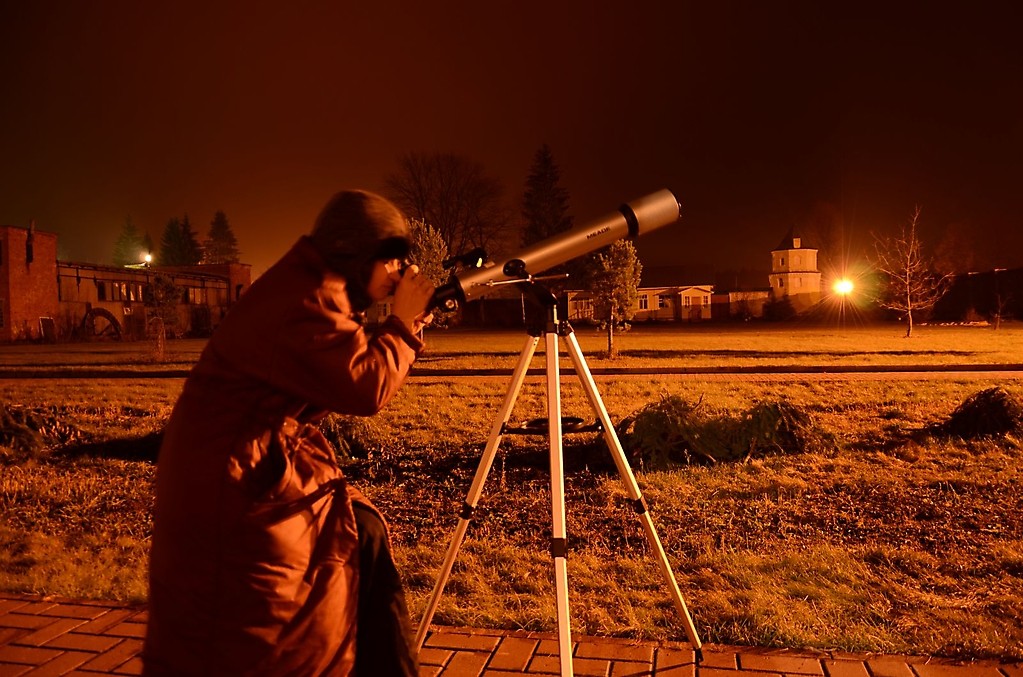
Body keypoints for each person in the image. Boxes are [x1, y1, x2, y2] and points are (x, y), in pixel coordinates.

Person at [143, 190, 435, 676]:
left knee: (362, 536)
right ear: (357, 254)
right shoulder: (308, 300)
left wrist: (405, 321)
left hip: (244, 465)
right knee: (259, 629)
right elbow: (364, 388)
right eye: (392, 259)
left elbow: (336, 369)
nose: (400, 272)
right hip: (237, 484)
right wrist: (403, 324)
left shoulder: (314, 287)